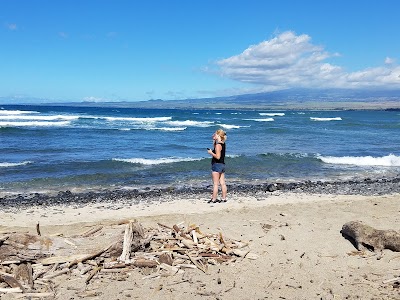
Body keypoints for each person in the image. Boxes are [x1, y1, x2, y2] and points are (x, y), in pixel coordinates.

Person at [207, 129, 227, 203]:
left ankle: (214, 199)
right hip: (222, 165)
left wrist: (211, 153)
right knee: (222, 183)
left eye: (215, 134)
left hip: (217, 165)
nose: (213, 135)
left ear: (218, 135)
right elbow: (216, 147)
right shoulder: (222, 143)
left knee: (215, 184)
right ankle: (224, 198)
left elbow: (218, 156)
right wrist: (214, 140)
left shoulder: (218, 145)